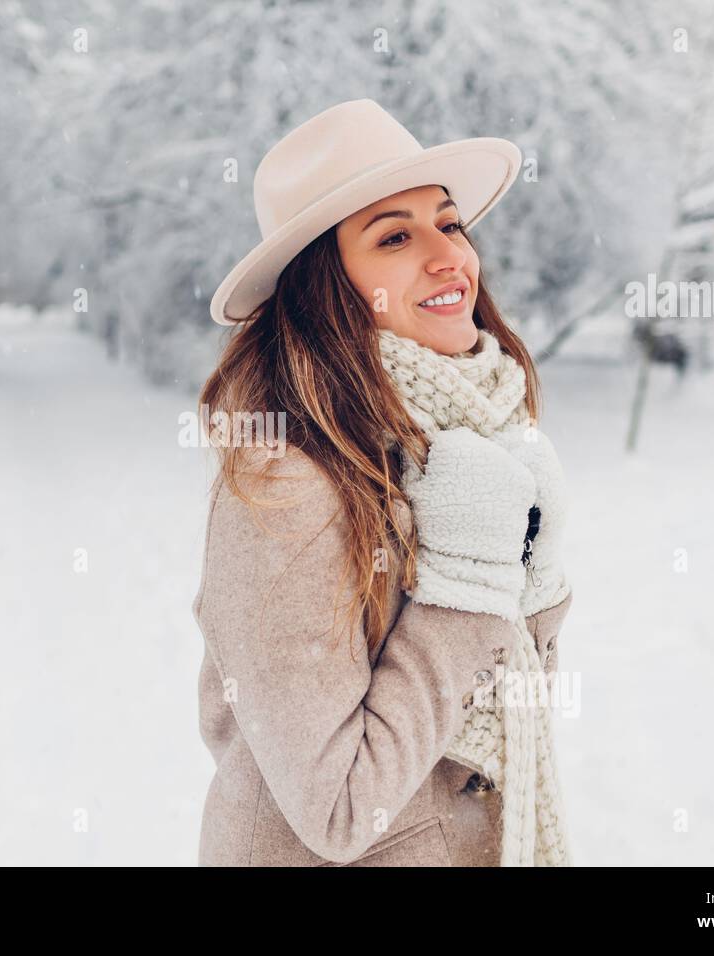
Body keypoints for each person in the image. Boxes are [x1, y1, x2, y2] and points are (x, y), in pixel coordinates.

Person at [192, 99, 574, 866]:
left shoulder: (462, 440)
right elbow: (336, 808)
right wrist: (468, 581)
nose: (448, 257)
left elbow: (501, 708)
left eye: (450, 223)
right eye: (395, 237)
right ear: (324, 288)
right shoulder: (286, 485)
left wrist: (539, 571)